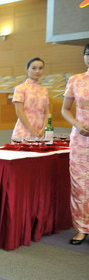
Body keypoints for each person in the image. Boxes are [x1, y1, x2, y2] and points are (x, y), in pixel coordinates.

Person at [61, 43, 89, 246]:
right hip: (80, 139)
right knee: (80, 185)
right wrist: (78, 125)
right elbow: (65, 109)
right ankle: (81, 228)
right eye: (87, 53)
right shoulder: (76, 79)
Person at [11, 57, 49, 141]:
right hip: (23, 131)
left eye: (40, 68)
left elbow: (47, 112)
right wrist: (31, 130)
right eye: (34, 68)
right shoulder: (20, 88)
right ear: (26, 69)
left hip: (40, 133)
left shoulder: (44, 90)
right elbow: (19, 111)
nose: (37, 71)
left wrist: (44, 129)